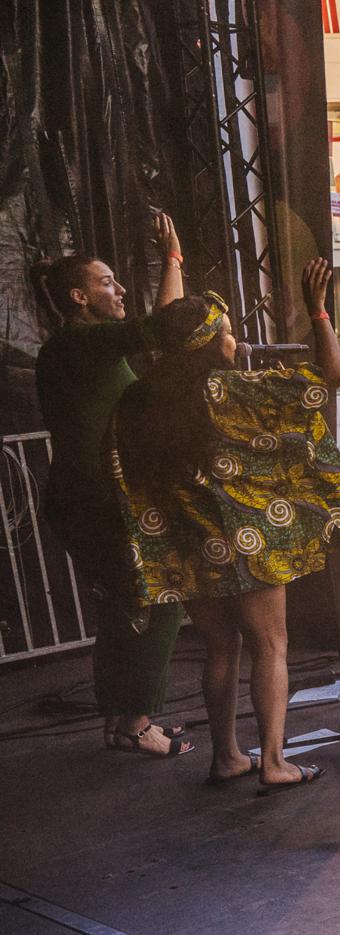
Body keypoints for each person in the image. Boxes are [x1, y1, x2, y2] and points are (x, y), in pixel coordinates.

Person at [110, 261, 340, 791]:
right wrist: (318, 311)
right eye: (227, 333)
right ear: (204, 344)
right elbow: (330, 378)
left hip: (189, 546)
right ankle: (274, 762)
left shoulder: (137, 403)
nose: (235, 341)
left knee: (220, 648)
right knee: (270, 646)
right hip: (248, 542)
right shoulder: (231, 391)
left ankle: (226, 756)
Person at [34, 217, 192, 759]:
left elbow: (167, 337)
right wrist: (172, 260)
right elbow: (169, 325)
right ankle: (136, 721)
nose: (120, 289)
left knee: (127, 606)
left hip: (93, 499)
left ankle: (121, 721)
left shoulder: (94, 350)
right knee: (159, 595)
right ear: (79, 297)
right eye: (107, 283)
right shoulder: (77, 344)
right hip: (95, 500)